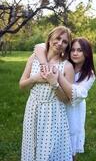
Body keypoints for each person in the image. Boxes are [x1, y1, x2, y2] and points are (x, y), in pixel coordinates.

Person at [35, 37, 96, 161]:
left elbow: (73, 95)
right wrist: (44, 64)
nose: (75, 53)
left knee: (70, 148)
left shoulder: (89, 74)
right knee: (53, 144)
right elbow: (39, 47)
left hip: (73, 112)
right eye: (72, 50)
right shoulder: (66, 63)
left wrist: (57, 77)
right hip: (57, 107)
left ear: (87, 53)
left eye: (80, 50)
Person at [19, 26, 75, 161]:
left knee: (50, 150)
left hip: (53, 112)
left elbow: (67, 100)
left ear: (67, 46)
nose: (60, 43)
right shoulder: (34, 58)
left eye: (65, 41)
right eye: (57, 38)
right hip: (33, 108)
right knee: (31, 145)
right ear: (50, 39)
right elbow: (21, 85)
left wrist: (54, 84)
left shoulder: (67, 66)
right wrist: (35, 78)